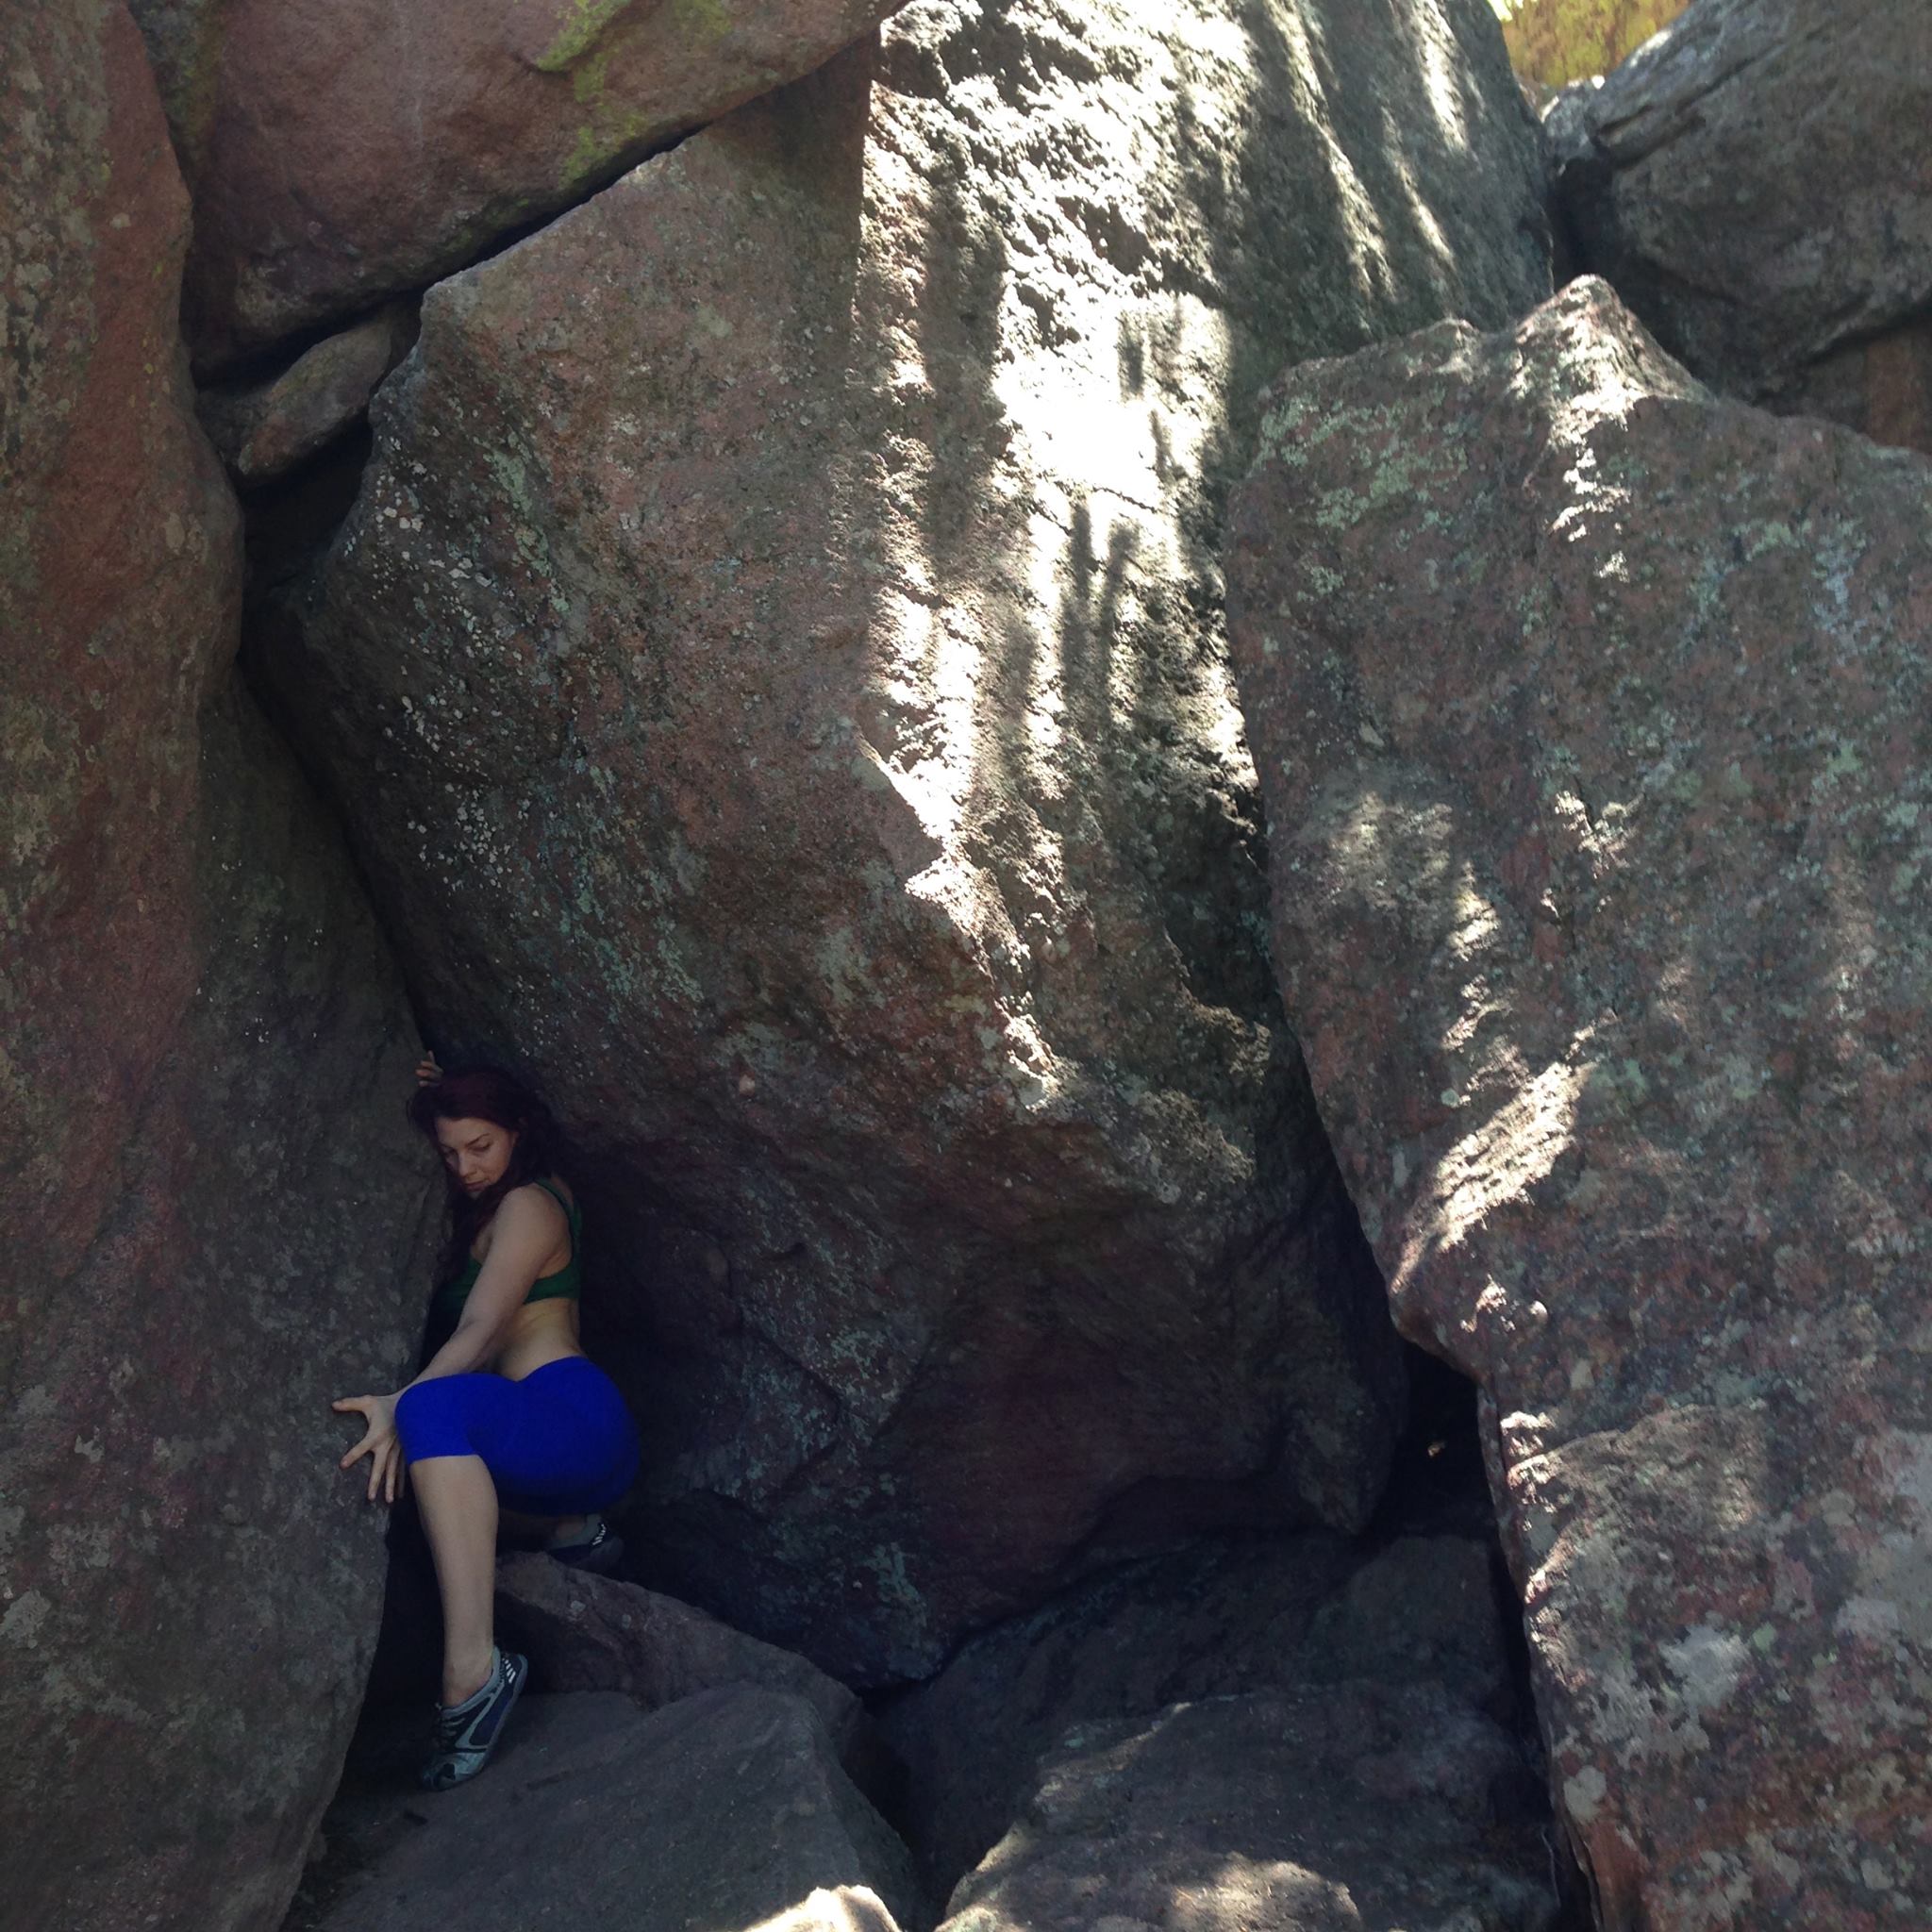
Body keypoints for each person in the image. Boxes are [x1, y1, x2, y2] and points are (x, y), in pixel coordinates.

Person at [334, 1057, 640, 1790]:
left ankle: (474, 1675)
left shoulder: (531, 1203)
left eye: (481, 1147)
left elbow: (483, 1326)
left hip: (574, 1415)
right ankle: (568, 1528)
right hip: (530, 1443)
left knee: (432, 1413)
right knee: (419, 1496)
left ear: (518, 1133)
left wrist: (402, 1402)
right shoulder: (488, 1205)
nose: (466, 1167)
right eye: (450, 1153)